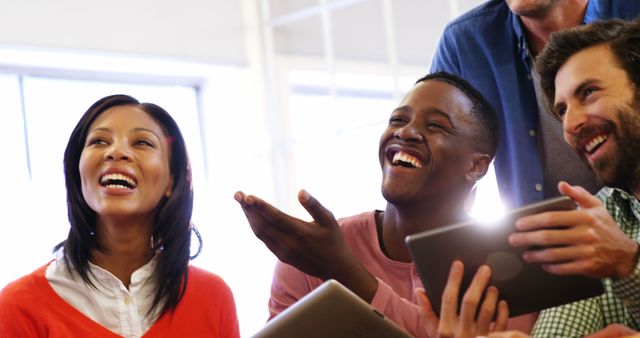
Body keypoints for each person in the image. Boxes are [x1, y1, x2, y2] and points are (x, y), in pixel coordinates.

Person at [235, 71, 536, 337]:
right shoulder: (308, 254)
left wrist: (343, 272)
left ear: (477, 166)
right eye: (398, 120)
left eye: (435, 126)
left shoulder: (503, 266)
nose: (405, 132)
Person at [0, 94, 240, 337]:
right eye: (99, 141)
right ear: (78, 172)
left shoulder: (213, 296)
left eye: (142, 142)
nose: (116, 151)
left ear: (172, 180)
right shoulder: (19, 305)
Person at [430, 0, 640, 209]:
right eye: (562, 110)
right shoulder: (463, 43)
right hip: (541, 235)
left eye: (589, 92)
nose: (570, 124)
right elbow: (439, 175)